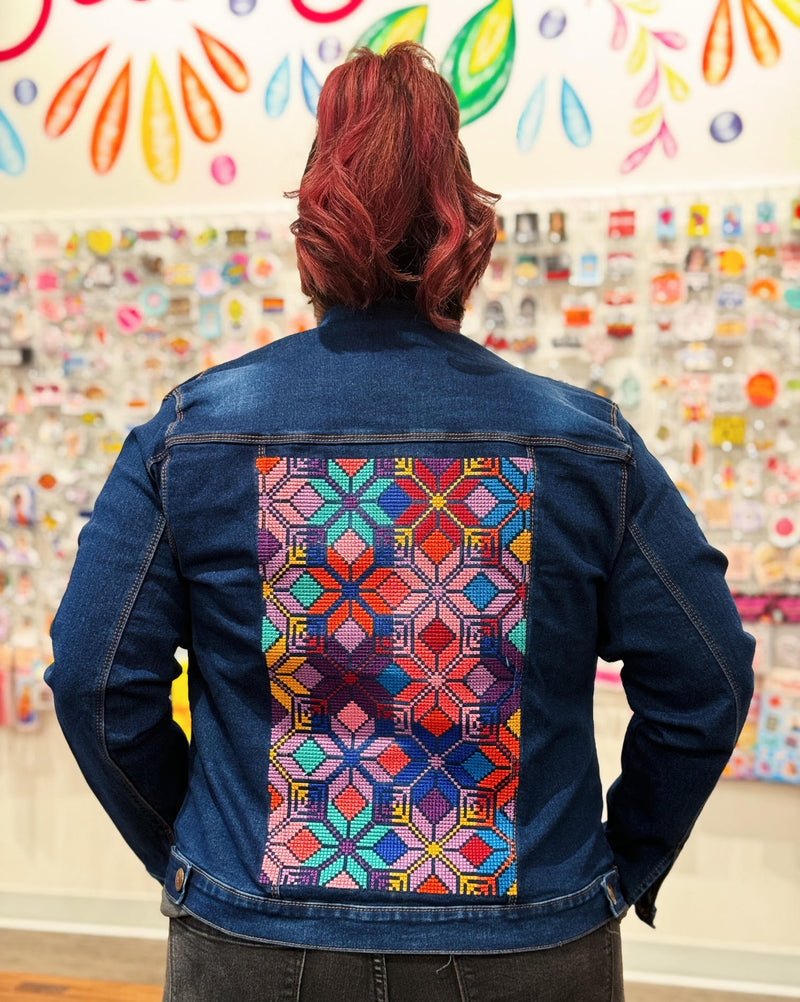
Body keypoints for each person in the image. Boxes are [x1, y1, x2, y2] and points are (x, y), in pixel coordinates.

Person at [46, 42, 754, 1002]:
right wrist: (612, 862)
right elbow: (705, 678)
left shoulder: (191, 437)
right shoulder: (588, 446)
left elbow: (96, 678)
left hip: (254, 945)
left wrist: (199, 849)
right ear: (467, 225)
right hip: (529, 947)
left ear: (311, 227)